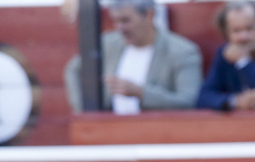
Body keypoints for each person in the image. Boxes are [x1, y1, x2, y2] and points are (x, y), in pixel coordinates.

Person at [63, 0, 202, 114]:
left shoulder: (182, 51)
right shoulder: (108, 43)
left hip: (158, 132)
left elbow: (188, 101)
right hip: (108, 129)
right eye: (115, 21)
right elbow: (73, 69)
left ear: (149, 14)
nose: (120, 28)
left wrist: (141, 93)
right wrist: (83, 109)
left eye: (126, 20)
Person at [197, 0, 255, 111]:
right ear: (226, 32)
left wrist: (244, 62)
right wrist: (235, 101)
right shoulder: (224, 54)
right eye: (236, 31)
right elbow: (203, 98)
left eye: (249, 29)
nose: (243, 37)